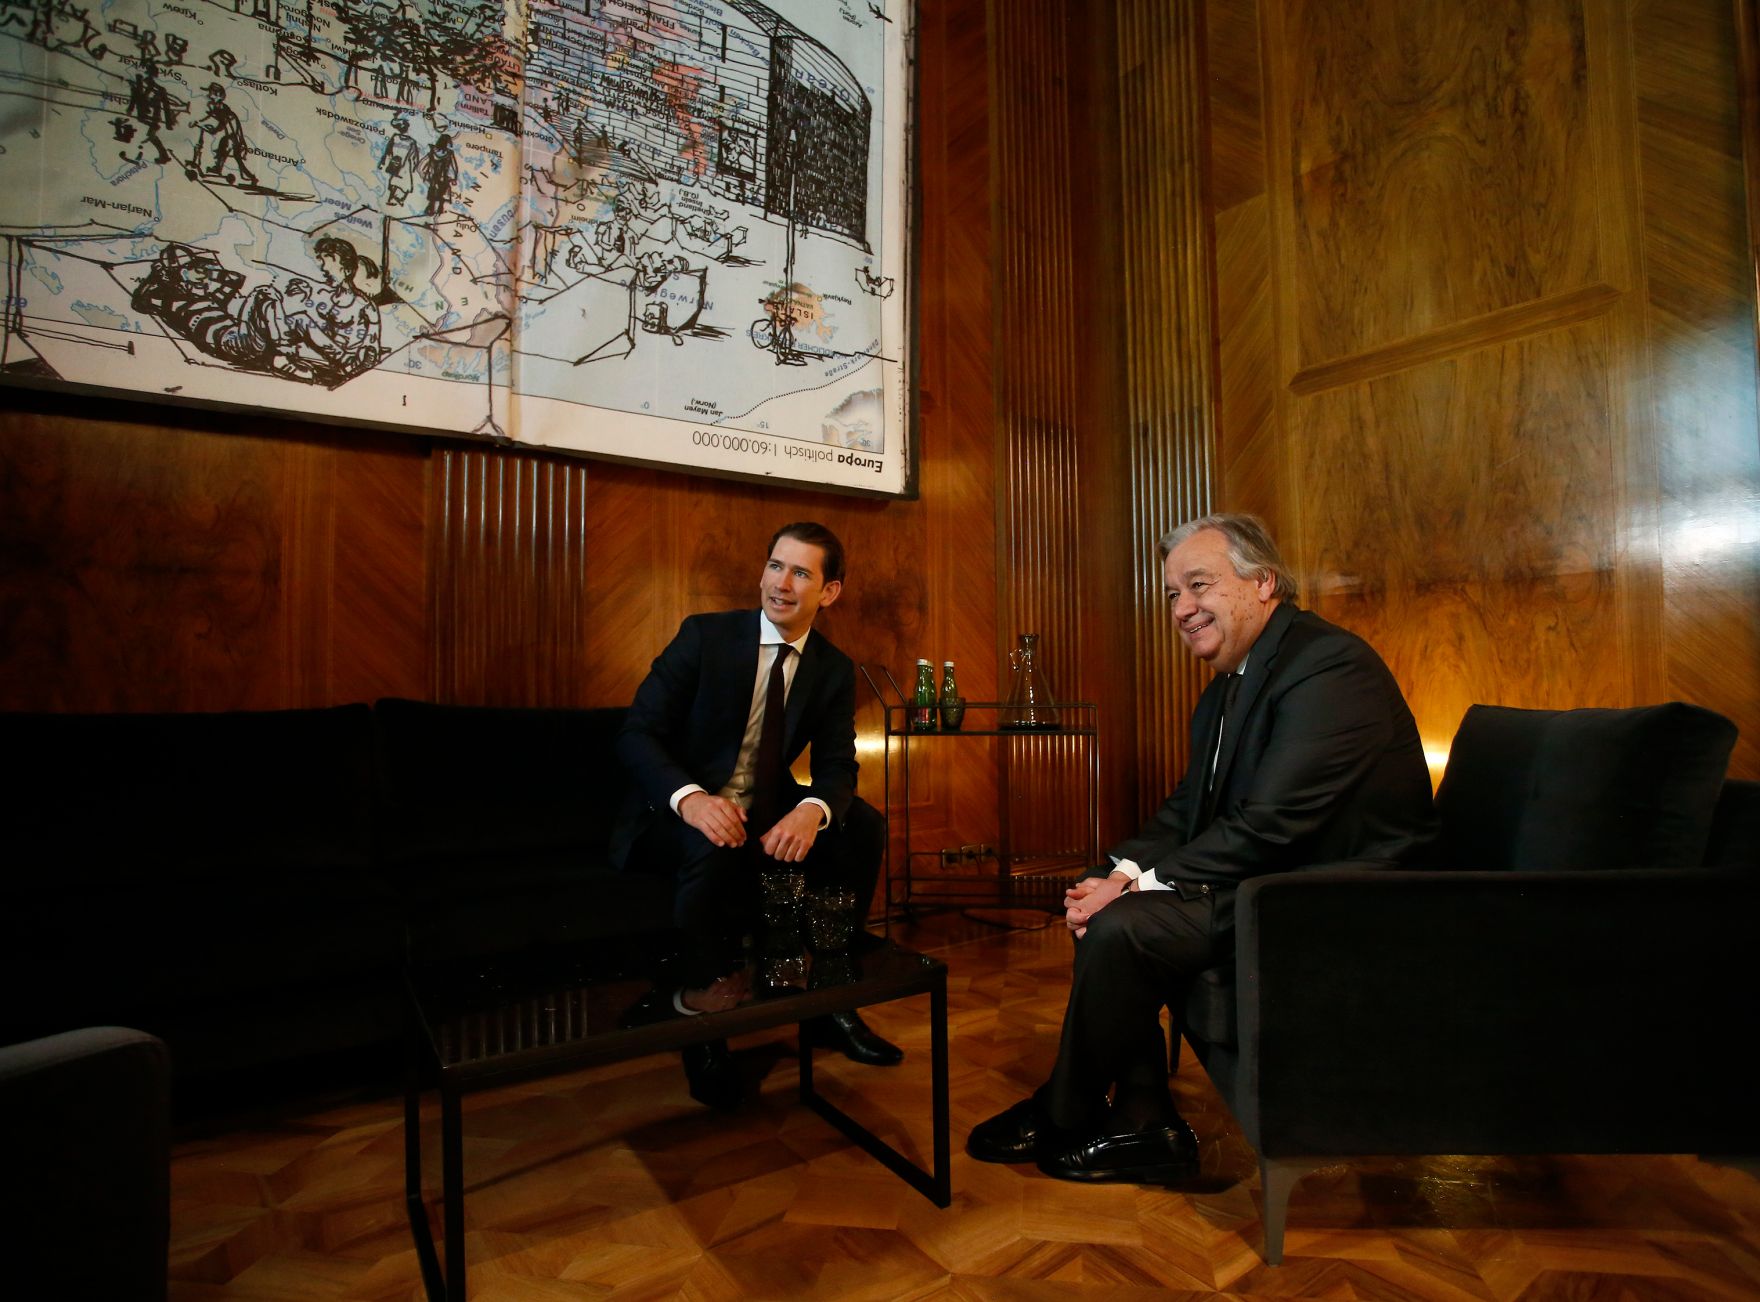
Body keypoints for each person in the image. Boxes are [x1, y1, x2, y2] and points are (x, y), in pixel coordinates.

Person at [967, 513, 1436, 1183]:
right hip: (1274, 881)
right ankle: (1143, 1118)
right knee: (1098, 892)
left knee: (1121, 922)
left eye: (1199, 585)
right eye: (1172, 594)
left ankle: (1066, 1112)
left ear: (1263, 582)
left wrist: (1131, 889)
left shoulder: (1327, 667)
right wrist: (1117, 871)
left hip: (1339, 901)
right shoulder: (1225, 688)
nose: (1183, 609)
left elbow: (1270, 826)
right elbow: (1190, 809)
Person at [612, 522, 902, 1110]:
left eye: (801, 573)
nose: (781, 583)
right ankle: (705, 1022)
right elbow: (638, 734)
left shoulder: (831, 667)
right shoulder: (705, 637)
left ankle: (828, 1000)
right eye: (775, 566)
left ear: (829, 592)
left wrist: (814, 810)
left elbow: (839, 765)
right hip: (674, 811)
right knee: (711, 842)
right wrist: (691, 800)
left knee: (860, 824)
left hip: (762, 807)